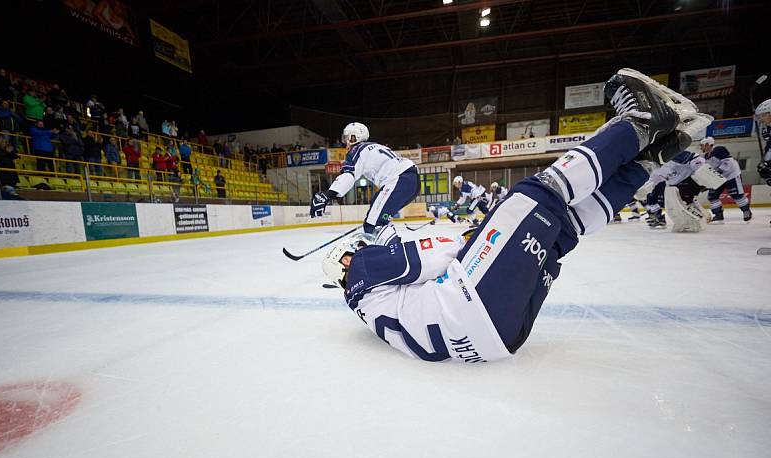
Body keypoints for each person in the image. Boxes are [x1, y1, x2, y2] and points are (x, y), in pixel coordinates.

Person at [319, 68, 708, 363]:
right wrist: (470, 238)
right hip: (471, 303)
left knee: (558, 230)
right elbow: (432, 255)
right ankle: (639, 121)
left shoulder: (367, 307)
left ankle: (645, 162)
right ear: (346, 265)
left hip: (500, 339)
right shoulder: (363, 270)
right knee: (531, 197)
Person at [310, 122, 420, 234]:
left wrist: (327, 195)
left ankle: (389, 250)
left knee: (373, 226)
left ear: (353, 137)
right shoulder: (376, 146)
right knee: (376, 219)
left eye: (347, 138)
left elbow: (349, 175)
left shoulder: (356, 150)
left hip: (398, 181)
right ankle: (389, 245)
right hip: (412, 181)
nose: (346, 143)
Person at [633, 150, 725, 232]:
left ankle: (699, 218)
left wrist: (702, 169)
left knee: (682, 199)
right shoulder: (655, 170)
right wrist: (643, 190)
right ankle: (689, 220)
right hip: (676, 186)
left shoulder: (671, 155)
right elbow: (653, 181)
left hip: (689, 180)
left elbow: (695, 158)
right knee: (671, 206)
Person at [699, 136, 752, 222]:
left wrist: (719, 171)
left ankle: (746, 211)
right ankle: (718, 215)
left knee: (737, 195)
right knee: (712, 196)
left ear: (707, 144)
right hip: (718, 178)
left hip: (731, 175)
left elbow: (728, 162)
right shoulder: (705, 157)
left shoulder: (718, 150)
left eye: (702, 145)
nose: (701, 147)